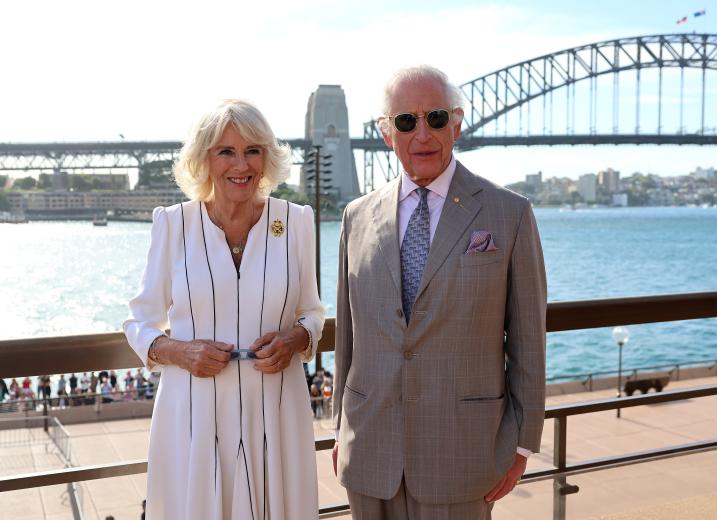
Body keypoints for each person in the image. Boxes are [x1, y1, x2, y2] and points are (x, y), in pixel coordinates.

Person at [333, 66, 547, 519]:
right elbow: (347, 338)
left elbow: (528, 339)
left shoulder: (510, 214)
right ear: (386, 133)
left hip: (465, 454)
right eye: (406, 122)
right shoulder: (356, 217)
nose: (423, 133)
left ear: (457, 123)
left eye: (435, 117)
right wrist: (339, 430)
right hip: (369, 450)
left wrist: (522, 442)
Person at [124, 99, 324, 519]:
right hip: (192, 414)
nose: (242, 164)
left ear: (267, 158)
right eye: (226, 151)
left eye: (253, 150)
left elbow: (312, 313)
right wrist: (179, 351)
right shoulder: (173, 224)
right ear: (204, 160)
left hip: (276, 409)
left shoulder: (296, 223)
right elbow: (139, 321)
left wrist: (295, 339)